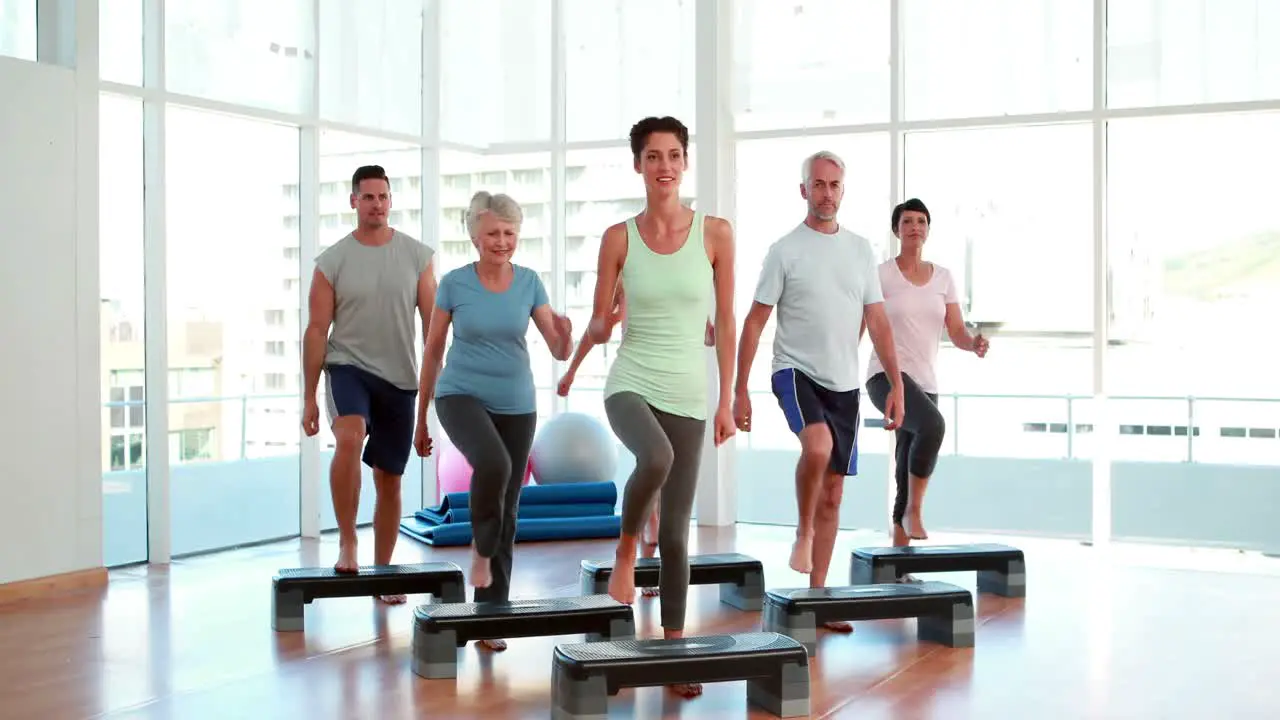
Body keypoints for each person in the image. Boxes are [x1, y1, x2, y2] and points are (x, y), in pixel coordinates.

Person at [585, 115, 736, 699]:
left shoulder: (716, 234)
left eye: (674, 155)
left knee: (675, 532)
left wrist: (728, 397)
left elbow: (723, 320)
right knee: (654, 456)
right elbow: (602, 321)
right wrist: (597, 325)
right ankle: (625, 548)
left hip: (689, 393)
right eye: (653, 156)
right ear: (638, 165)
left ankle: (675, 649)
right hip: (630, 380)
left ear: (685, 162)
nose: (665, 166)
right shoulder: (618, 238)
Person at [733, 150, 905, 630]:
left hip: (844, 385)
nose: (826, 193)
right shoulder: (784, 250)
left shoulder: (859, 250)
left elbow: (878, 321)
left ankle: (816, 600)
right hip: (794, 370)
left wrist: (897, 384)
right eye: (818, 184)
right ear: (803, 189)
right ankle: (802, 530)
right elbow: (754, 322)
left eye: (834, 185)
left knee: (833, 495)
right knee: (818, 444)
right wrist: (739, 391)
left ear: (842, 192)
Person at [415, 191, 574, 649]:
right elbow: (432, 351)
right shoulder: (454, 284)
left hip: (517, 403)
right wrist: (422, 416)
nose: (501, 241)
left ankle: (490, 614)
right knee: (496, 465)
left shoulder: (529, 283)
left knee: (509, 505)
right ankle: (480, 555)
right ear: (474, 236)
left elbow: (557, 347)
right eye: (492, 233)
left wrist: (566, 337)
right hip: (459, 394)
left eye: (509, 233)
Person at [302, 165, 436, 605]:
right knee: (349, 438)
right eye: (368, 197)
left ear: (390, 201)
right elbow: (317, 330)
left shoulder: (417, 256)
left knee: (390, 480)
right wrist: (308, 397)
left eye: (383, 197)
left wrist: (433, 396)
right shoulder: (332, 262)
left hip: (399, 377)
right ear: (353, 201)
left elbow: (433, 326)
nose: (376, 204)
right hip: (348, 367)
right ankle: (347, 542)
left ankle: (383, 573)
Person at [558, 291, 715, 598]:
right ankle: (638, 547)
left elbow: (708, 335)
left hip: (676, 391)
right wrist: (572, 371)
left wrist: (713, 332)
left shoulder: (686, 281)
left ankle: (648, 553)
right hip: (634, 386)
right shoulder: (627, 281)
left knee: (664, 474)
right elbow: (597, 330)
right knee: (656, 459)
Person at [863, 198, 988, 555]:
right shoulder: (881, 274)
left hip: (925, 382)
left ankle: (899, 565)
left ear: (928, 230)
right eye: (907, 221)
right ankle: (916, 512)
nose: (915, 227)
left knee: (904, 466)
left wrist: (974, 343)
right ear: (896, 230)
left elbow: (957, 331)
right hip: (885, 377)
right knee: (933, 427)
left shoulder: (944, 278)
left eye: (921, 221)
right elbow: (865, 323)